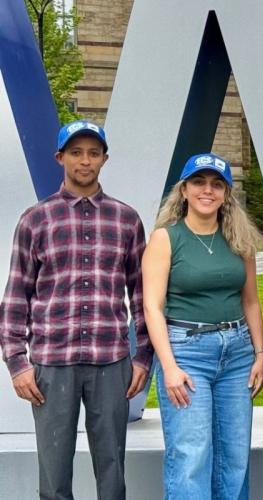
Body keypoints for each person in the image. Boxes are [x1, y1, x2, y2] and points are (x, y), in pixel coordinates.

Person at [1, 120, 152, 499]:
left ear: (104, 159)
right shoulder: (35, 220)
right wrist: (17, 363)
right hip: (52, 363)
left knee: (113, 471)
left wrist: (143, 357)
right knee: (53, 475)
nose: (85, 161)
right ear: (60, 158)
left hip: (110, 361)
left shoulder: (127, 220)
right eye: (76, 153)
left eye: (93, 153)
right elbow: (16, 295)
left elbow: (142, 294)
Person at [141, 153, 263, 499]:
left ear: (226, 193)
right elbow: (152, 307)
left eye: (216, 184)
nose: (207, 190)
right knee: (191, 453)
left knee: (235, 455)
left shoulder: (239, 239)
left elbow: (251, 301)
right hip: (186, 352)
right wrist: (168, 367)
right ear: (183, 190)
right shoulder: (166, 238)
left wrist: (260, 353)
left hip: (238, 353)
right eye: (199, 182)